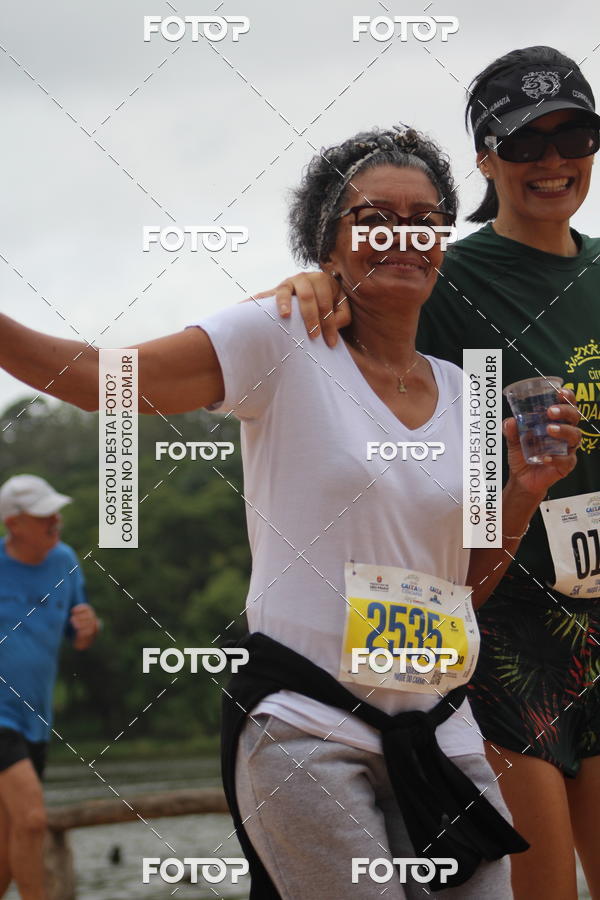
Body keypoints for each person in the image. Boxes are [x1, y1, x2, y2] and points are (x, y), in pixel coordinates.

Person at [0, 127, 581, 899]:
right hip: (307, 725)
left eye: (425, 217)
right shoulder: (282, 339)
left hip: (442, 729)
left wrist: (529, 487)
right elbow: (110, 381)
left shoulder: (471, 392)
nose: (403, 234)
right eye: (374, 218)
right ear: (328, 245)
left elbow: (466, 584)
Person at [267, 45, 600, 900]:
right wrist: (314, 280)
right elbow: (345, 301)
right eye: (526, 144)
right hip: (487, 625)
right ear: (487, 160)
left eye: (576, 136)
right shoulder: (449, 275)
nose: (553, 161)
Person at [0, 475, 99, 900]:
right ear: (14, 523)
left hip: (36, 720)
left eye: (55, 511)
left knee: (8, 846)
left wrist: (88, 627)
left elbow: (78, 630)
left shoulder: (65, 562)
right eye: (43, 515)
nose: (55, 520)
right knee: (34, 819)